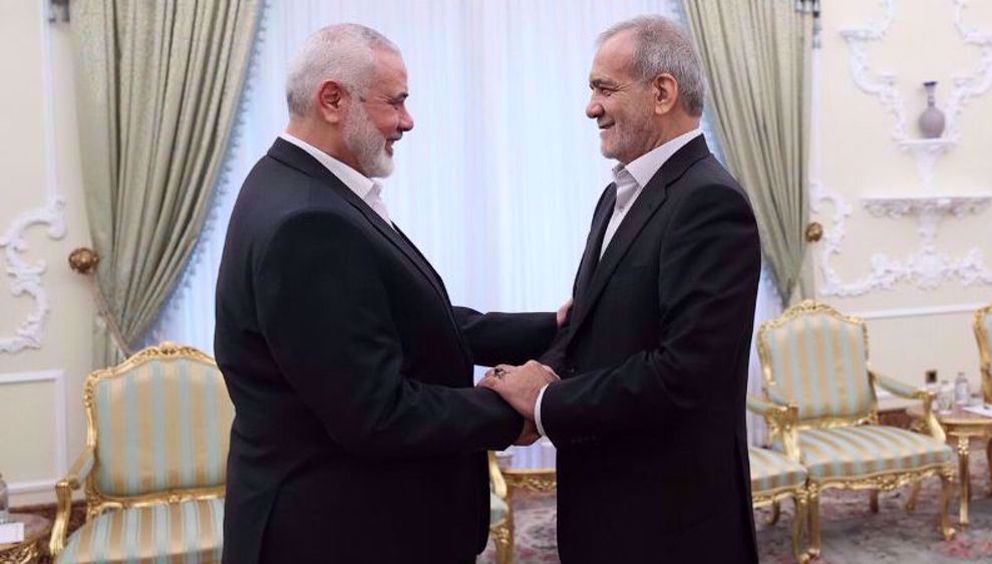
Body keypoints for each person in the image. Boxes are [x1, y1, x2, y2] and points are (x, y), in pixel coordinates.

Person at [214, 24, 560, 564]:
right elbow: (376, 413)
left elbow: (406, 321)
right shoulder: (308, 221)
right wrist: (515, 410)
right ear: (333, 99)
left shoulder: (294, 182)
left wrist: (551, 327)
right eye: (395, 102)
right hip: (340, 530)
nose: (407, 120)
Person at [480, 15, 761, 563]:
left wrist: (543, 402)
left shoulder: (710, 202)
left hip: (671, 520)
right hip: (603, 501)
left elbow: (684, 374)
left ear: (661, 92)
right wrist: (536, 375)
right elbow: (586, 324)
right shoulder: (616, 196)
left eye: (604, 89)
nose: (591, 107)